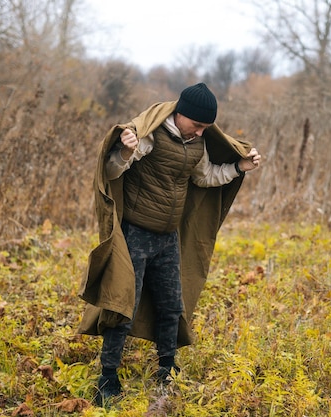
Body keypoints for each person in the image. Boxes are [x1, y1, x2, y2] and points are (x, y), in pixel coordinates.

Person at [76, 82, 261, 407]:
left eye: (206, 127)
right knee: (122, 307)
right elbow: (114, 169)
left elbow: (204, 178)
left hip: (167, 239)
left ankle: (166, 371)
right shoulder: (151, 135)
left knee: (171, 306)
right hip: (136, 235)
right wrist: (125, 150)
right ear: (181, 114)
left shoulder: (197, 143)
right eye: (197, 125)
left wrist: (237, 167)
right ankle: (107, 378)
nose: (201, 132)